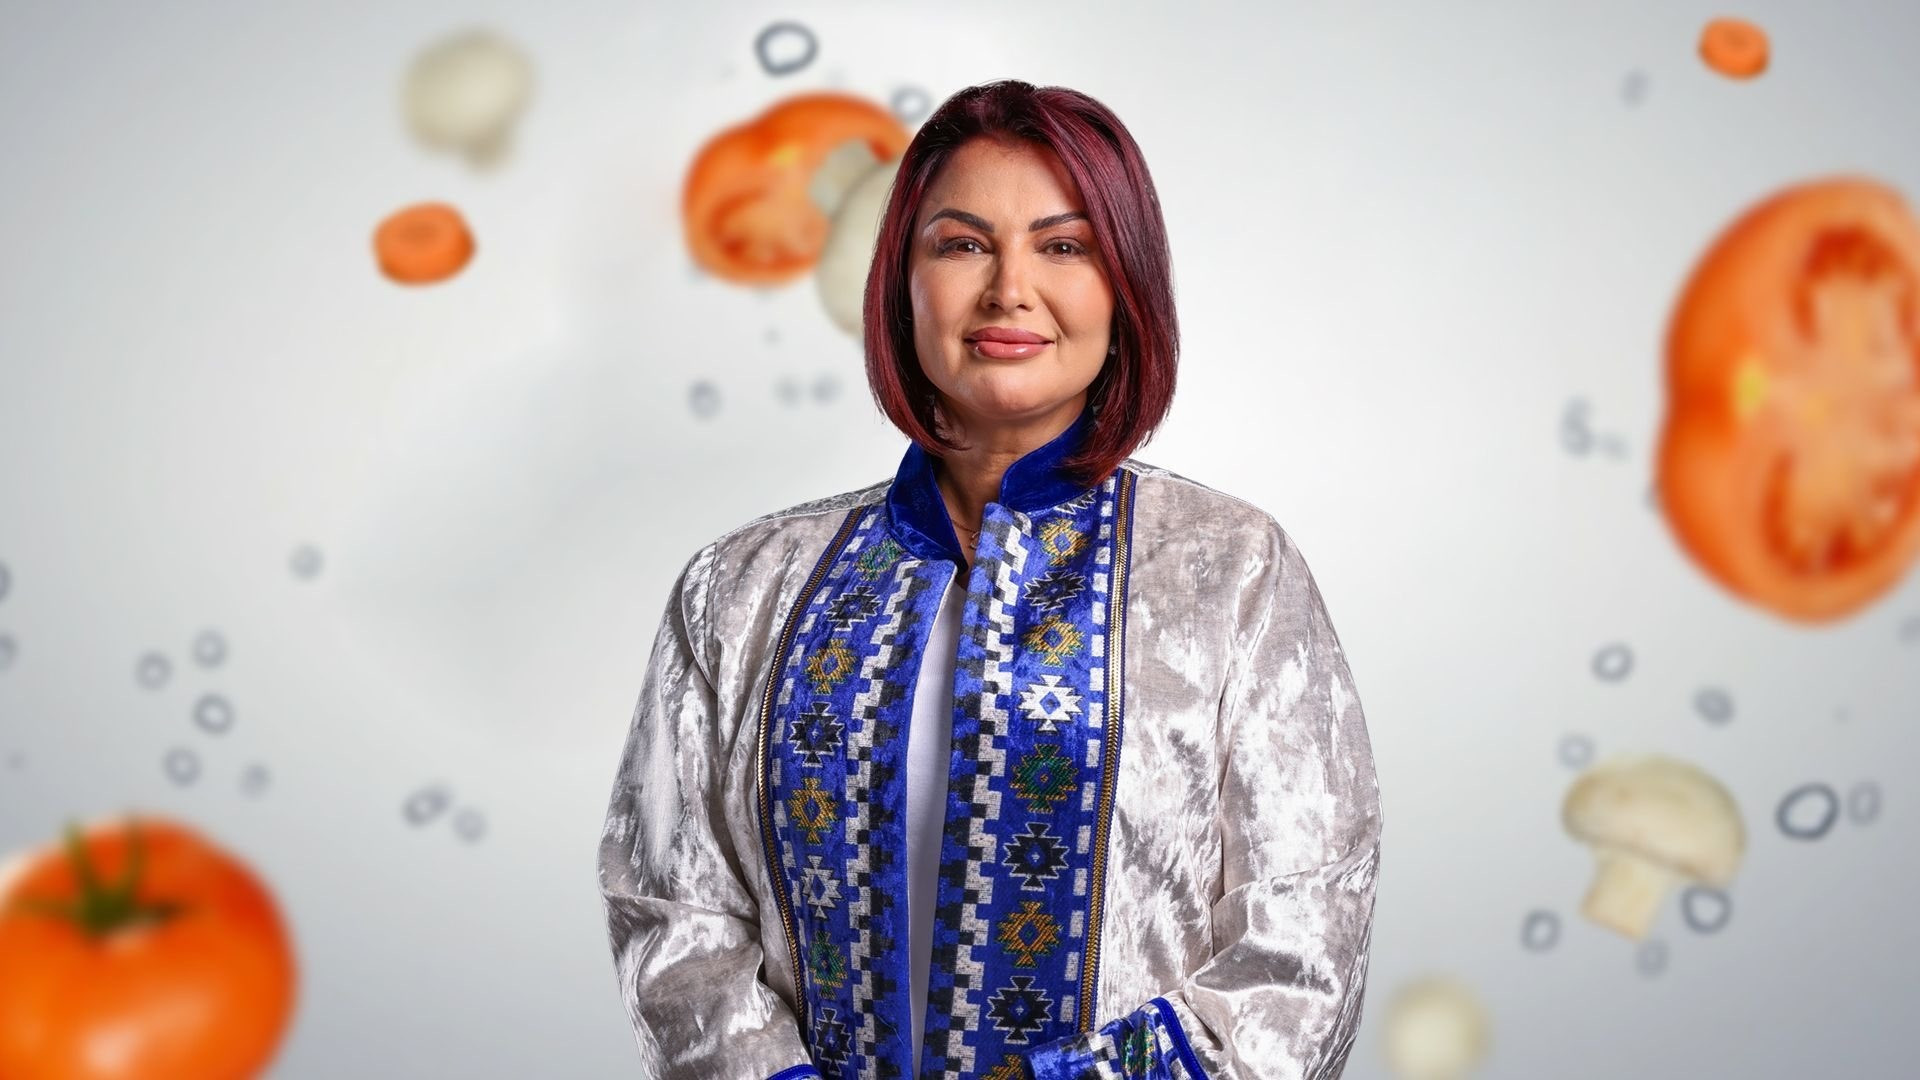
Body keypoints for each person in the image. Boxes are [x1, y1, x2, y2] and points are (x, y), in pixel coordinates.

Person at [598, 79, 1383, 1080]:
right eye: (963, 244)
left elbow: (1303, 945)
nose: (1010, 288)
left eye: (1065, 247)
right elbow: (672, 912)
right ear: (902, 284)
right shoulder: (741, 588)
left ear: (1125, 289)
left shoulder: (1232, 572)